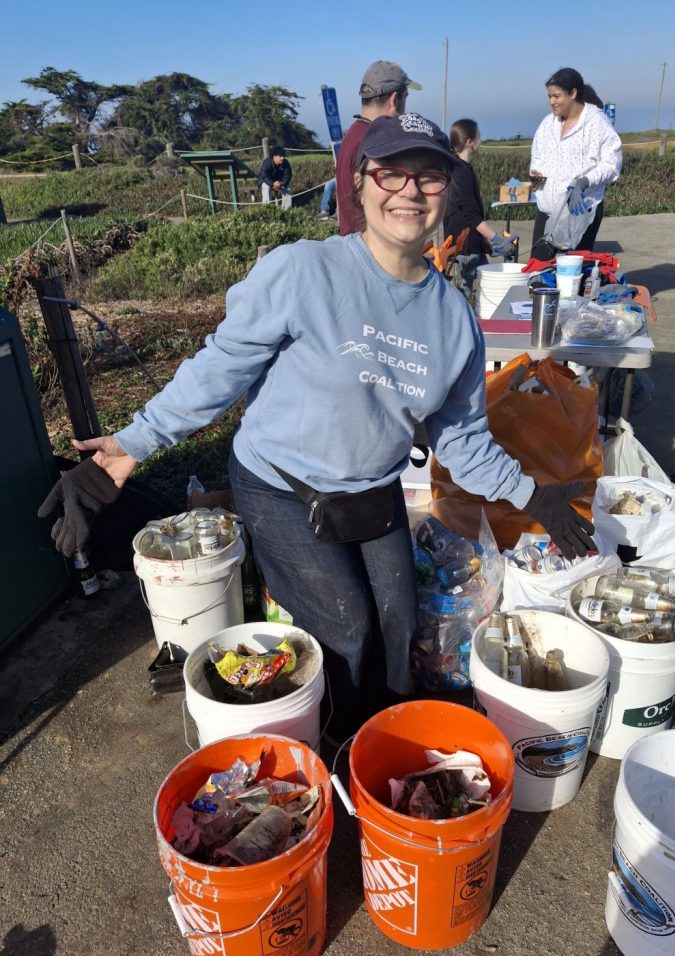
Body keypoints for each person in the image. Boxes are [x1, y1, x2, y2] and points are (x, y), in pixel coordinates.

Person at [38, 113, 595, 739]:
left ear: (449, 190)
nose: (409, 191)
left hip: (371, 487)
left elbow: (462, 441)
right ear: (361, 184)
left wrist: (535, 495)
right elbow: (220, 370)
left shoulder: (454, 320)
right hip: (280, 483)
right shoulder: (304, 271)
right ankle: (332, 749)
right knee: (346, 623)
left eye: (429, 176)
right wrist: (125, 450)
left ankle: (381, 743)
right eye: (391, 173)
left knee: (397, 620)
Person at [529, 67, 622, 260]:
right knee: (538, 273)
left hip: (579, 212)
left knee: (570, 276)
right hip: (548, 210)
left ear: (573, 93)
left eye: (557, 96)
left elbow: (612, 164)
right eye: (549, 96)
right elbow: (537, 156)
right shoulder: (547, 124)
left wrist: (583, 182)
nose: (552, 101)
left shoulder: (597, 122)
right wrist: (536, 174)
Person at [335, 60, 421, 235]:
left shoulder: (353, 133)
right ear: (395, 99)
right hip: (372, 248)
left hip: (352, 242)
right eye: (406, 97)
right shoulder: (377, 142)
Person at [442, 118, 516, 297]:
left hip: (472, 244)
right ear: (469, 142)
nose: (481, 141)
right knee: (465, 295)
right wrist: (498, 239)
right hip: (464, 248)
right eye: (479, 137)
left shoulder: (461, 167)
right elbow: (471, 215)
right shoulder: (460, 171)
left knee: (487, 291)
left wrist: (488, 246)